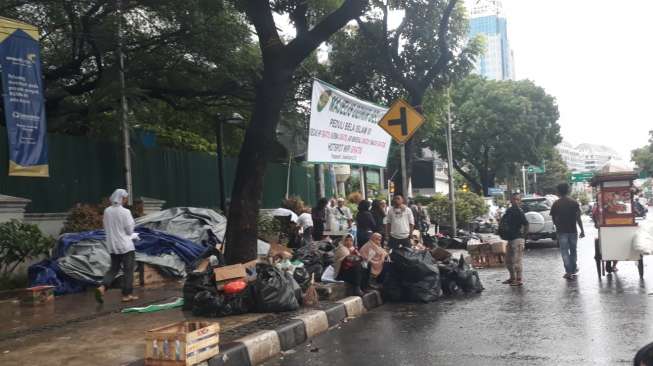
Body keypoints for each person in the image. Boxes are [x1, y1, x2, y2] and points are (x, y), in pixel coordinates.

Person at [95, 189, 138, 303]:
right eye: (125, 198)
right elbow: (129, 231)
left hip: (112, 245)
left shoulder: (107, 211)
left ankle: (102, 287)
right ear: (121, 198)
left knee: (113, 269)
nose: (126, 200)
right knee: (128, 270)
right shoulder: (125, 212)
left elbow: (105, 226)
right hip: (125, 246)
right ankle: (127, 294)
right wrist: (133, 234)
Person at [550, 183, 585, 280]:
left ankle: (568, 271)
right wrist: (582, 230)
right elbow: (578, 218)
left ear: (558, 191)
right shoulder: (574, 202)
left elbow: (554, 218)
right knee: (573, 250)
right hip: (573, 231)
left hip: (562, 232)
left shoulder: (556, 204)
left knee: (564, 251)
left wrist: (557, 228)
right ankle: (573, 269)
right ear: (568, 190)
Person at [498, 193, 529, 287]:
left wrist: (523, 236)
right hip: (510, 239)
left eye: (517, 199)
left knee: (516, 260)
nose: (515, 201)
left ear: (520, 201)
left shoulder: (519, 211)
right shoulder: (509, 211)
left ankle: (518, 279)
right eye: (514, 199)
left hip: (517, 239)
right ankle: (512, 278)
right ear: (510, 200)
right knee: (508, 260)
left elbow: (526, 224)